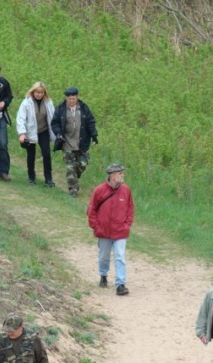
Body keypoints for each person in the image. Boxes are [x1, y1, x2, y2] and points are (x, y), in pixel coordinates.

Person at [87, 164, 135, 296]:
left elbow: (130, 209)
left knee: (120, 256)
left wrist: (127, 225)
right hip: (104, 231)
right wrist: (96, 226)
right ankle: (103, 275)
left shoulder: (126, 190)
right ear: (113, 176)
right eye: (120, 173)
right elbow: (91, 210)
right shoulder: (99, 190)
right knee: (103, 256)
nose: (123, 175)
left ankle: (120, 284)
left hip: (120, 231)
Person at [51, 87, 98, 197]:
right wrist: (58, 133)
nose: (71, 100)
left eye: (73, 98)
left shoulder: (84, 108)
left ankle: (74, 178)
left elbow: (91, 122)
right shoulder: (61, 109)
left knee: (83, 164)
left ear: (77, 97)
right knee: (70, 166)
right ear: (66, 98)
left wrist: (94, 135)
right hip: (67, 142)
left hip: (82, 142)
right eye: (69, 99)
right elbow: (55, 123)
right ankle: (73, 189)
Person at [16, 81, 56, 187]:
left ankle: (48, 179)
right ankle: (31, 178)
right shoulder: (26, 102)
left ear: (44, 93)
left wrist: (57, 131)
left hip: (44, 131)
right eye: (37, 92)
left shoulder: (48, 102)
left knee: (46, 154)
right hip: (30, 132)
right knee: (31, 155)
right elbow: (21, 118)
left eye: (41, 93)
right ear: (33, 92)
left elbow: (53, 116)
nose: (39, 95)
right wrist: (22, 133)